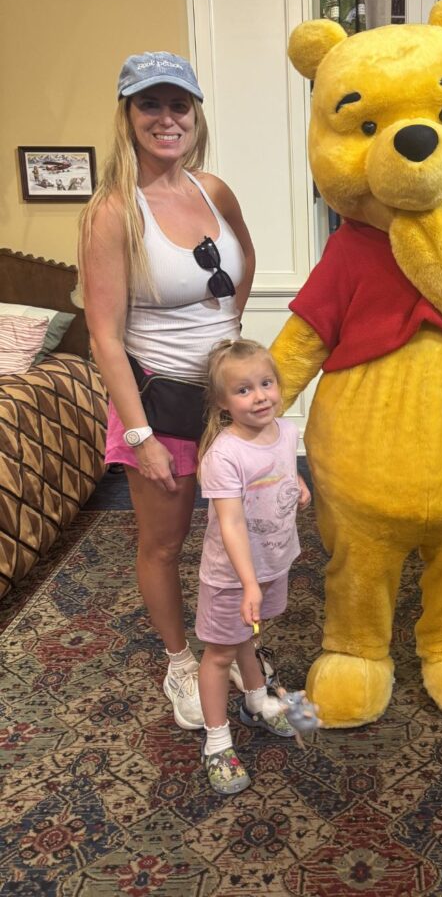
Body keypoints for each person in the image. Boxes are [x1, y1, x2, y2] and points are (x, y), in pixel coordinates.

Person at [78, 51, 256, 733]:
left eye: (178, 104)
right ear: (126, 115)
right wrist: (142, 437)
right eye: (149, 104)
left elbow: (240, 261)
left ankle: (233, 646)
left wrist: (230, 338)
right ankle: (180, 661)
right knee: (165, 542)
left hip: (225, 405)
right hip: (160, 405)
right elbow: (103, 336)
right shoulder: (113, 214)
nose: (166, 118)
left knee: (235, 534)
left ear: (195, 114)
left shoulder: (215, 189)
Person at [196, 339, 311, 795]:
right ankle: (217, 743)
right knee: (220, 653)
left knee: (250, 636)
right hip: (232, 577)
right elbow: (231, 524)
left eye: (266, 383)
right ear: (223, 403)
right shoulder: (223, 456)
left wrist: (297, 482)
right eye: (244, 390)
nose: (260, 396)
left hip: (273, 561)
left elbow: (280, 467)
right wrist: (247, 584)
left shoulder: (285, 431)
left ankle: (256, 703)